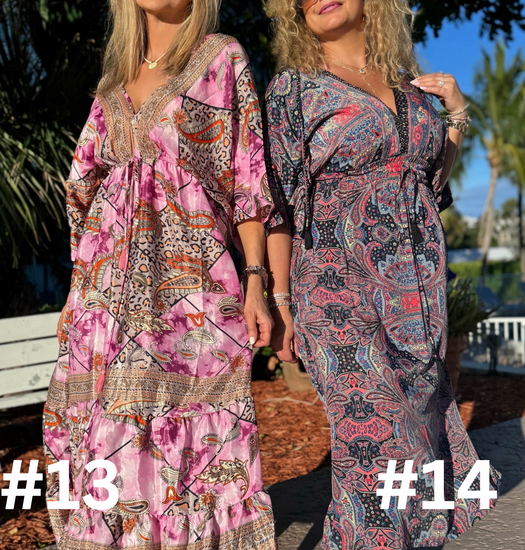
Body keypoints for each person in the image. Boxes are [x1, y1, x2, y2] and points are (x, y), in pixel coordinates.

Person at [263, 0, 500, 548]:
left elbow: (429, 182)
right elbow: (274, 204)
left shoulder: (408, 85)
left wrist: (456, 116)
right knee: (369, 433)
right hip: (335, 288)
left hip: (417, 289)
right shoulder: (293, 91)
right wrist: (281, 300)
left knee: (418, 422)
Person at [43, 1, 278, 548]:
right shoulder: (113, 81)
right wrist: (75, 294)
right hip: (103, 298)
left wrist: (257, 280)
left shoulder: (220, 57)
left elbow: (247, 175)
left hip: (191, 290)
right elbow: (82, 192)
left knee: (191, 427)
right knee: (105, 435)